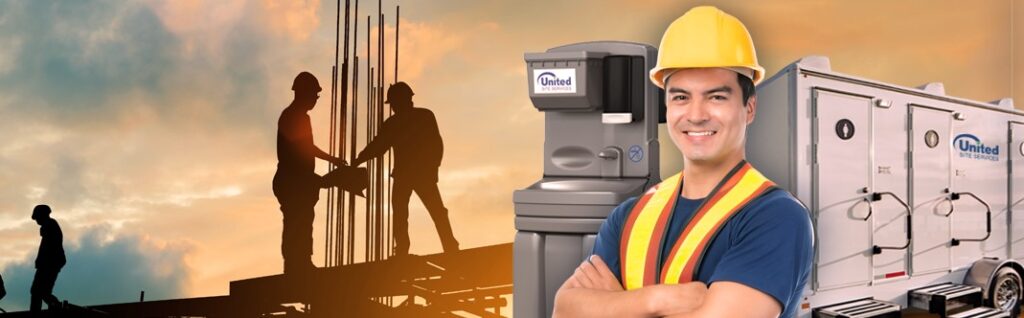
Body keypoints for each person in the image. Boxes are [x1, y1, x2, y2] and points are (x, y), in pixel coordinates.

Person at [553, 6, 813, 318]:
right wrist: (657, 301)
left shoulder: (776, 217)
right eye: (681, 97)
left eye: (716, 97)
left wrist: (614, 306)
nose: (696, 114)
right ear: (666, 107)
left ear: (750, 108)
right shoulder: (628, 217)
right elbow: (564, 310)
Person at [353, 82, 459, 256]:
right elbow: (379, 146)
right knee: (414, 212)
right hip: (412, 174)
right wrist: (359, 159)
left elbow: (434, 144)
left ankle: (439, 246)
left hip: (414, 174)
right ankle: (445, 245)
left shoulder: (413, 119)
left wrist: (433, 168)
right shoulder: (414, 118)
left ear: (402, 100)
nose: (393, 107)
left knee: (417, 211)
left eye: (394, 103)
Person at [274, 71, 349, 274]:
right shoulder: (293, 117)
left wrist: (331, 161)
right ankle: (295, 266)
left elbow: (307, 147)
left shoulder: (298, 117)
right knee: (297, 222)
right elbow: (301, 150)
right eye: (314, 94)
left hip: (298, 180)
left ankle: (300, 263)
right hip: (292, 181)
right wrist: (316, 177)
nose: (316, 99)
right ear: (303, 93)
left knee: (303, 221)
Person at [30, 204, 65, 313]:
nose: (37, 221)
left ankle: (56, 308)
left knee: (38, 291)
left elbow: (48, 248)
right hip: (49, 264)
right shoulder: (49, 226)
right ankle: (55, 307)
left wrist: (41, 262)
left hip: (49, 264)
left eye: (37, 218)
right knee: (41, 291)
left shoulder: (50, 226)